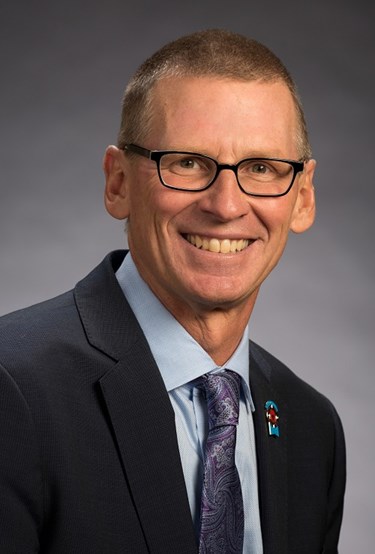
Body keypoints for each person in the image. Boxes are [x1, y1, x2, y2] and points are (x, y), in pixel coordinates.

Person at [0, 29, 345, 554]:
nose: (226, 205)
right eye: (187, 162)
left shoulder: (311, 427)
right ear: (118, 183)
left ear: (302, 198)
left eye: (261, 168)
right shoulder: (14, 388)